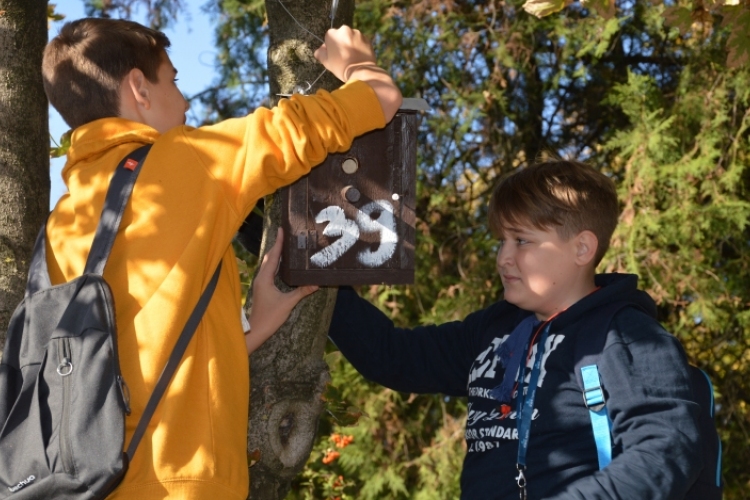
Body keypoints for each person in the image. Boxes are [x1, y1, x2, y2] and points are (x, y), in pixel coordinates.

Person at [41, 17, 401, 500]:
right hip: (187, 485)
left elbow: (128, 362)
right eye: (173, 80)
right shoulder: (186, 160)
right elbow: (375, 103)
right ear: (138, 88)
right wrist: (358, 63)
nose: (185, 101)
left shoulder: (62, 222)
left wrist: (254, 328)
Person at [319, 160, 703, 498]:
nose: (504, 257)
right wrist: (314, 274)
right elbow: (392, 356)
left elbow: (666, 448)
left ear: (582, 249)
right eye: (502, 240)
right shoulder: (493, 329)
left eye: (522, 240)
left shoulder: (624, 335)